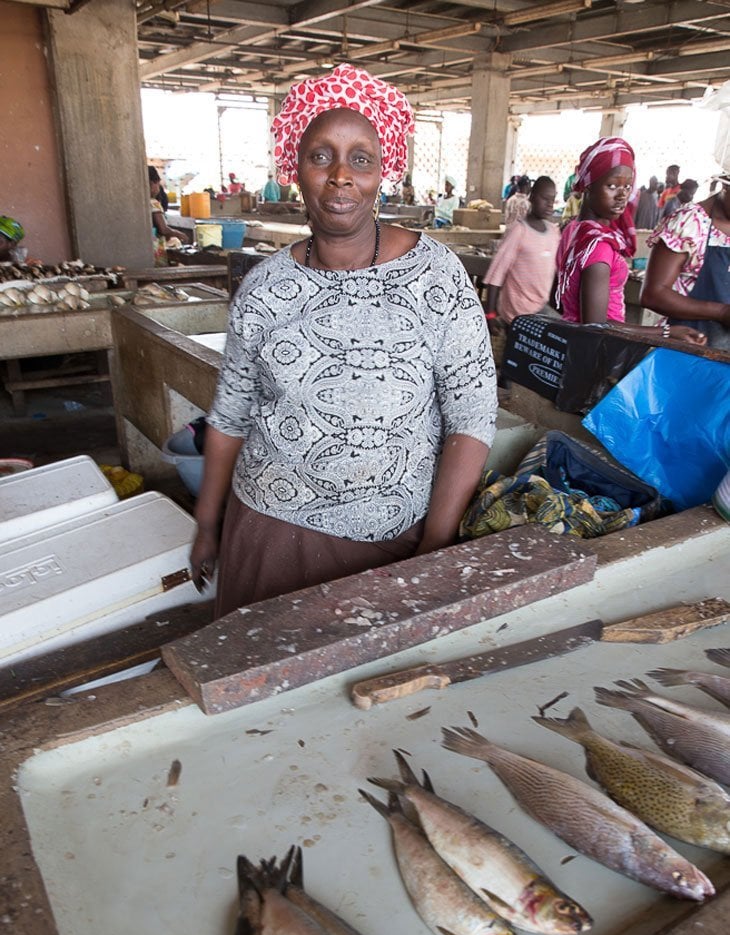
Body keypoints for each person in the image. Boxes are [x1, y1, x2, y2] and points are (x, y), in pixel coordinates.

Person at [190, 65, 497, 616]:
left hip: (387, 542)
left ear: (384, 172)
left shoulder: (436, 276)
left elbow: (472, 416)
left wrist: (435, 545)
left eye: (361, 158)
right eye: (321, 156)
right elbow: (231, 417)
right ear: (295, 168)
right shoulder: (264, 288)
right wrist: (208, 524)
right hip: (265, 531)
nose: (340, 176)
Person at [555, 138, 705, 346]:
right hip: (596, 351)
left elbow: (563, 298)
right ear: (588, 184)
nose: (622, 195)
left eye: (627, 186)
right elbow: (595, 327)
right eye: (612, 185)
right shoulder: (598, 246)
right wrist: (666, 332)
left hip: (571, 340)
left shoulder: (572, 229)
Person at [641, 177, 730, 350]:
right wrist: (722, 312)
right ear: (726, 183)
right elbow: (653, 294)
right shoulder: (690, 222)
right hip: (687, 348)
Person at [483, 175, 559, 339]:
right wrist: (490, 314)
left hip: (540, 307)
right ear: (531, 196)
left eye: (552, 199)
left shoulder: (553, 232)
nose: (550, 204)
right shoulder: (519, 231)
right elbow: (496, 273)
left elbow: (554, 271)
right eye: (544, 198)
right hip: (517, 311)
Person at [148, 166, 190, 245]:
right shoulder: (153, 202)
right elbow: (163, 229)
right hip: (156, 245)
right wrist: (181, 234)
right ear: (153, 183)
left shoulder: (141, 203)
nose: (159, 188)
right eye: (158, 184)